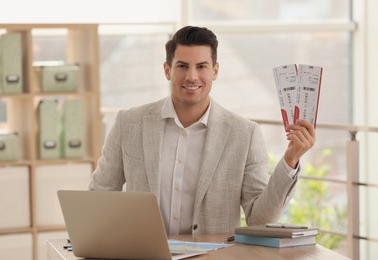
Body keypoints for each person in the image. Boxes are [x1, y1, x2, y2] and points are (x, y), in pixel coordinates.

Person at [88, 26, 316, 236]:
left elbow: (259, 219)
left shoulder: (245, 134)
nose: (191, 76)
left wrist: (290, 159)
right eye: (182, 66)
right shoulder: (129, 123)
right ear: (167, 70)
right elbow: (99, 197)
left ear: (215, 71)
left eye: (201, 66)